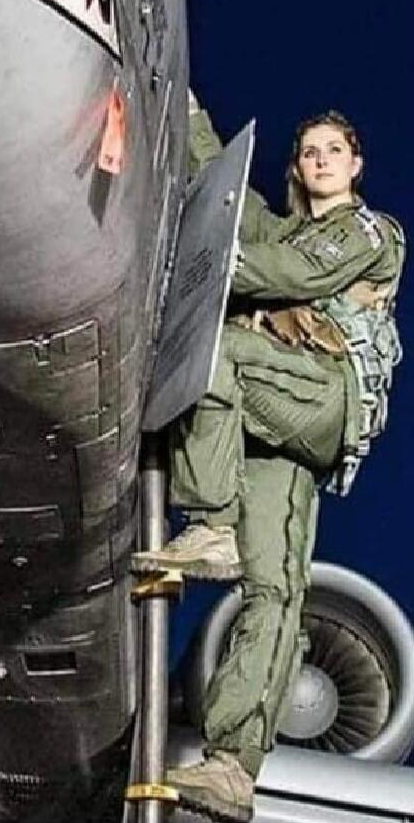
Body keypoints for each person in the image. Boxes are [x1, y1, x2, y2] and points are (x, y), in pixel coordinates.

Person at [133, 99, 404, 823]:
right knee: (275, 588)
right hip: (268, 412)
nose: (318, 159)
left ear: (355, 164)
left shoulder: (369, 232)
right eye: (308, 150)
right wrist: (183, 105)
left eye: (332, 149)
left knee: (208, 350)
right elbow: (228, 195)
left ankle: (211, 521)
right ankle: (231, 766)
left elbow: (284, 268)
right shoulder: (285, 225)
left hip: (320, 394)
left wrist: (193, 258)